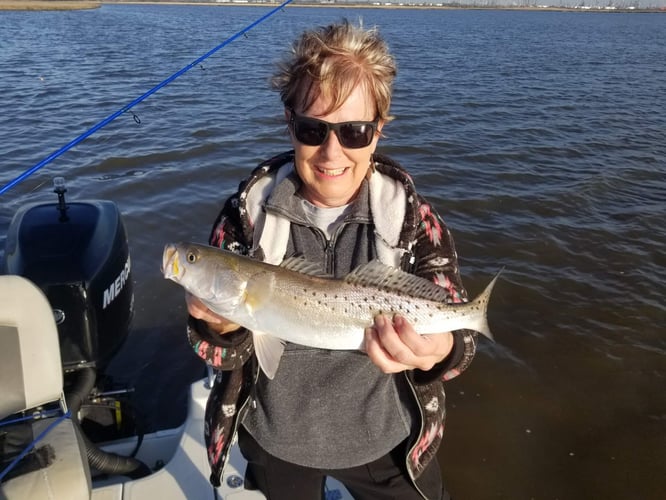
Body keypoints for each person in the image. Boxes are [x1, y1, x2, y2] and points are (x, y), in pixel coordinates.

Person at [185, 19, 477, 500]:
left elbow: (460, 336)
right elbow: (221, 356)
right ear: (289, 123)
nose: (331, 151)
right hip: (277, 440)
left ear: (379, 130)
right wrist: (217, 329)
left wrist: (439, 351)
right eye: (312, 128)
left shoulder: (413, 220)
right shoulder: (244, 216)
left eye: (355, 131)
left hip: (389, 440)